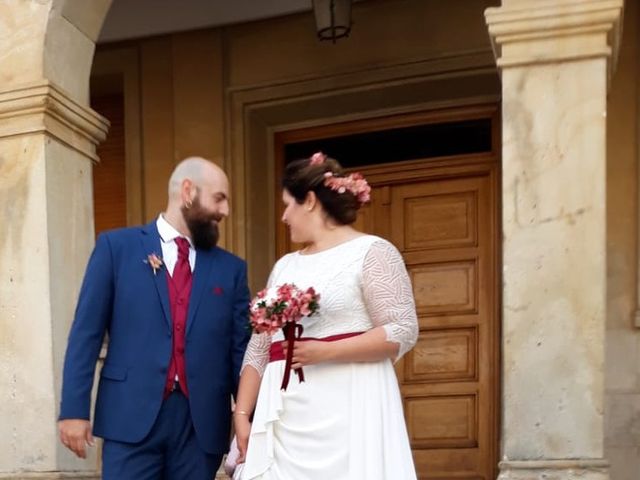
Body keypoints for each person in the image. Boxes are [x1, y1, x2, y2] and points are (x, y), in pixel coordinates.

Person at [58, 157, 251, 479]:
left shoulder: (231, 269)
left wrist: (249, 420)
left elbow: (239, 352)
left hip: (200, 426)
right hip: (128, 417)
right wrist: (73, 411)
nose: (226, 210)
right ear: (187, 191)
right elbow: (85, 334)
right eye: (219, 198)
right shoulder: (115, 248)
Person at [232, 152, 419, 480]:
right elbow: (260, 347)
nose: (284, 216)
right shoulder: (285, 266)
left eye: (288, 204)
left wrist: (326, 351)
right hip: (286, 414)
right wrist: (243, 414)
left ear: (310, 201)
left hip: (349, 408)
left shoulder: (373, 252)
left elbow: (402, 328)